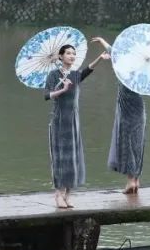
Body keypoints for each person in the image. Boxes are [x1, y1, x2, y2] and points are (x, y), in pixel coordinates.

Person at [45, 44, 110, 209]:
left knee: (74, 158)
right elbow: (47, 95)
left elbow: (88, 70)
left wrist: (100, 58)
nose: (72, 56)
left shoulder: (75, 75)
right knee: (60, 158)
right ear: (61, 56)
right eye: (68, 53)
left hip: (74, 121)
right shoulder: (53, 75)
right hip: (60, 121)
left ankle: (68, 194)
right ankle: (58, 194)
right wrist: (63, 89)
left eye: (73, 53)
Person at [91, 36, 146, 194]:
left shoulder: (124, 69)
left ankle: (130, 181)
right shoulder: (143, 72)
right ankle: (136, 180)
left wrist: (102, 41)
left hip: (126, 109)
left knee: (127, 143)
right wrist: (103, 41)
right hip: (140, 110)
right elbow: (114, 52)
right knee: (137, 143)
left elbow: (114, 53)